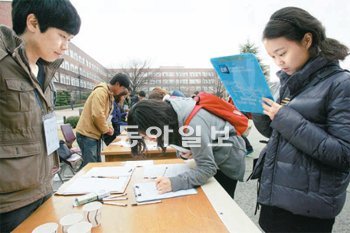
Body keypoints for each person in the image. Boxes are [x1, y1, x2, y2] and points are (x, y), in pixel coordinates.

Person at [251, 7, 350, 232]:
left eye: (282, 53)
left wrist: (284, 117)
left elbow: (344, 154)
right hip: (274, 201)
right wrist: (257, 106)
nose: (278, 62)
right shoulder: (289, 82)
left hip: (307, 211)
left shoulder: (341, 84)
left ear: (307, 40)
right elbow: (277, 134)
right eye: (273, 56)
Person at [0, 0, 81, 231]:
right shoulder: (4, 64)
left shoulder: (45, 70)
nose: (65, 46)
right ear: (33, 23)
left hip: (44, 188)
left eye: (70, 40)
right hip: (9, 204)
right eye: (62, 36)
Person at [127, 98, 246, 198]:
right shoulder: (171, 114)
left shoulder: (192, 124)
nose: (150, 138)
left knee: (222, 204)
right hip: (213, 156)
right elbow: (186, 143)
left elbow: (207, 168)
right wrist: (185, 152)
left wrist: (173, 183)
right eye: (144, 137)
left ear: (155, 122)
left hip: (227, 160)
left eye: (148, 133)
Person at [76, 73, 131, 167]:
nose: (123, 91)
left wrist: (109, 127)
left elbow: (107, 116)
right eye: (123, 88)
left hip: (94, 135)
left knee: (96, 164)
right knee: (90, 166)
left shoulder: (109, 95)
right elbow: (97, 115)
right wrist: (106, 129)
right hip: (87, 134)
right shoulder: (101, 92)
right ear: (117, 84)